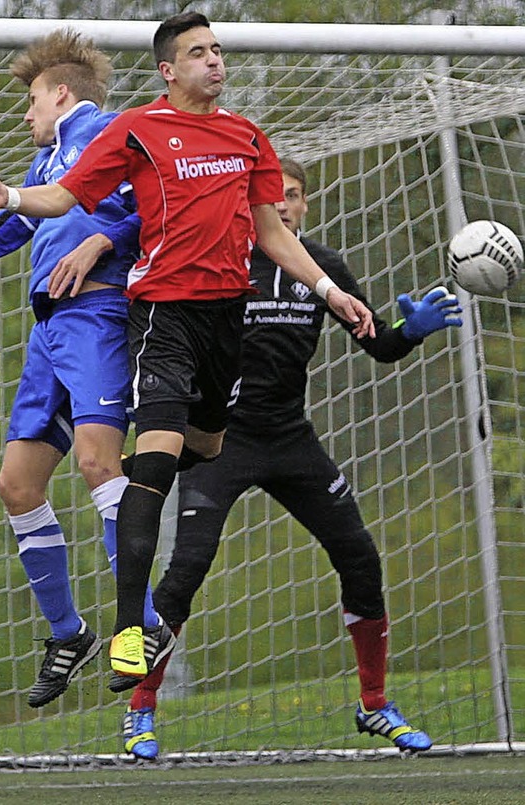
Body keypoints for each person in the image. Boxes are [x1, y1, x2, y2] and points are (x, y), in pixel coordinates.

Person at [0, 12, 376, 688]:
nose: (215, 61)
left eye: (217, 49)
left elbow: (272, 232)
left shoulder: (247, 138)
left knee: (202, 446)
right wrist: (7, 194)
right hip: (161, 317)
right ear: (168, 70)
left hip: (223, 319)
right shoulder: (135, 130)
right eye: (199, 52)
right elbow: (65, 194)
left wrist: (328, 289)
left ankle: (131, 505)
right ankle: (131, 633)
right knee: (147, 463)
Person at [120, 157, 463, 759]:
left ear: (304, 206)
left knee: (359, 557)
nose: (282, 206)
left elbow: (378, 344)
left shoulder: (323, 269)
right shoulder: (219, 261)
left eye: (294, 196)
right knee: (186, 572)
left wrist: (411, 331)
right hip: (219, 443)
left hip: (289, 439)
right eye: (271, 195)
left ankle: (376, 705)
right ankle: (140, 711)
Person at [0, 28, 173, 708]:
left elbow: (161, 211)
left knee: (101, 464)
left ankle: (147, 621)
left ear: (63, 94)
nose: (26, 113)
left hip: (99, 316)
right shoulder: (47, 169)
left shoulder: (114, 134)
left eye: (33, 101)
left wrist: (105, 237)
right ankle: (68, 633)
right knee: (16, 486)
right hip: (49, 332)